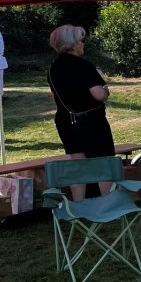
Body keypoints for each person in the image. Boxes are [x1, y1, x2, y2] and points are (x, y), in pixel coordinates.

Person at [47, 25, 116, 200]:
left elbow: (56, 98)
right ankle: (107, 202)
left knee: (79, 164)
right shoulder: (84, 66)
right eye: (81, 40)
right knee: (103, 162)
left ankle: (79, 203)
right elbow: (99, 95)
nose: (83, 44)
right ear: (73, 44)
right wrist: (106, 89)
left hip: (66, 120)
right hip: (91, 121)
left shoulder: (53, 68)